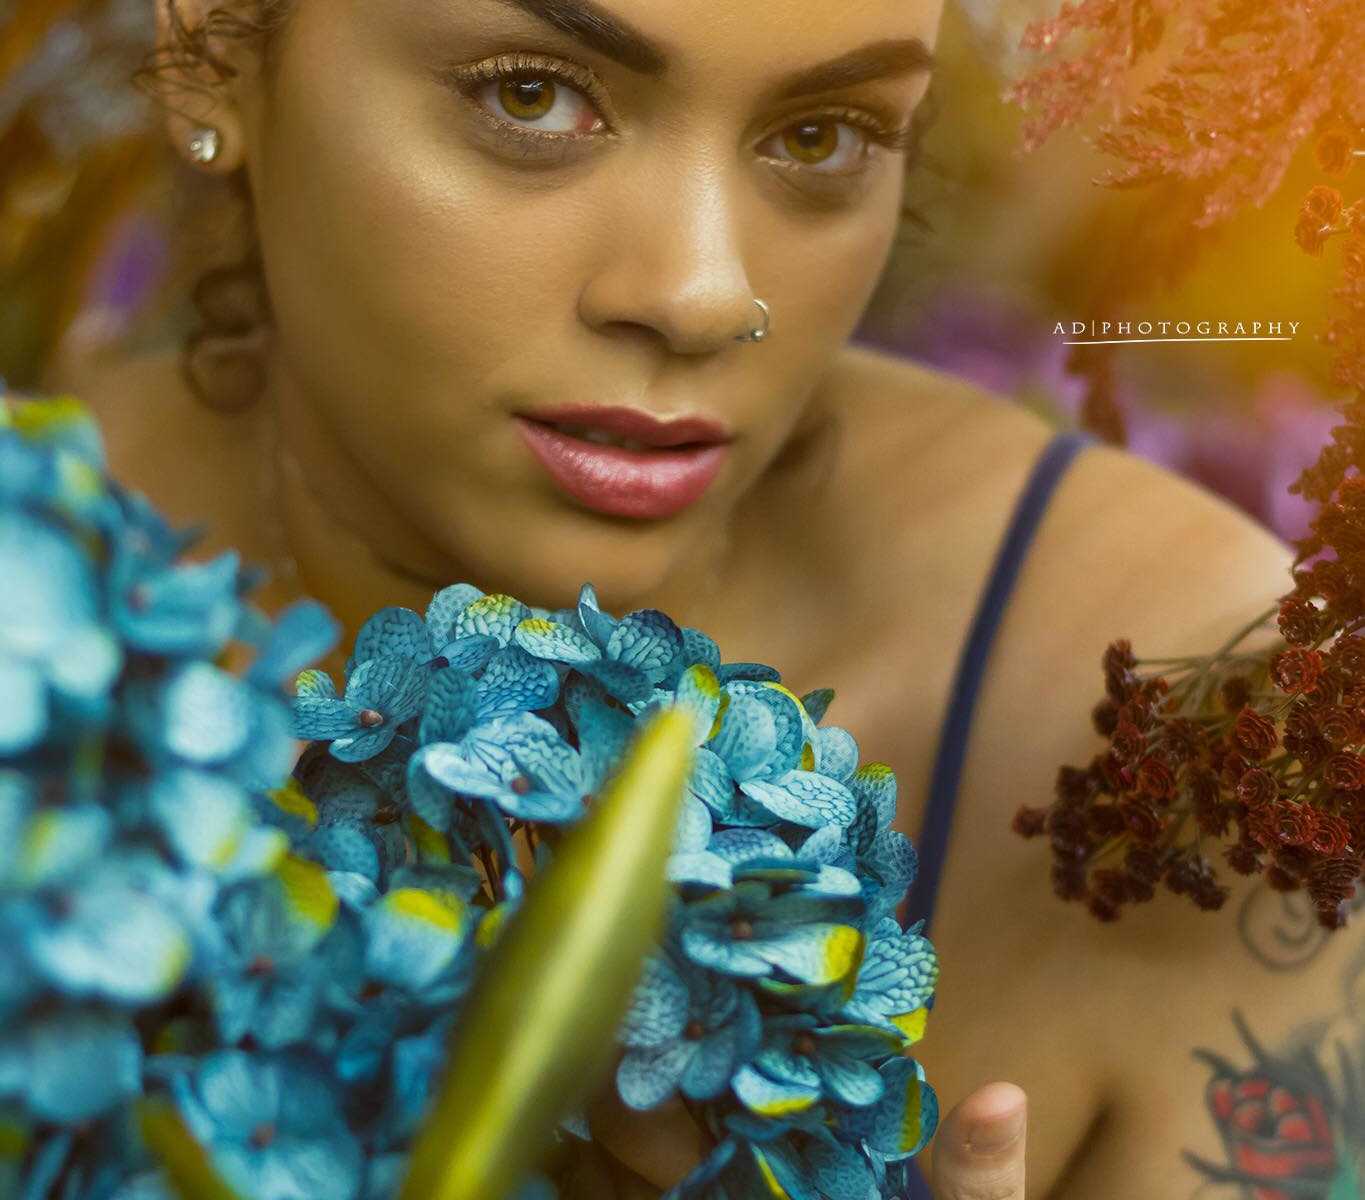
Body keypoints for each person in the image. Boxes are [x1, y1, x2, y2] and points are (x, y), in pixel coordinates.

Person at [69, 0, 1336, 1196]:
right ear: (211, 50)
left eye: (819, 135)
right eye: (532, 95)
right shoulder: (47, 584)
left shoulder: (1194, 738)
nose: (702, 295)